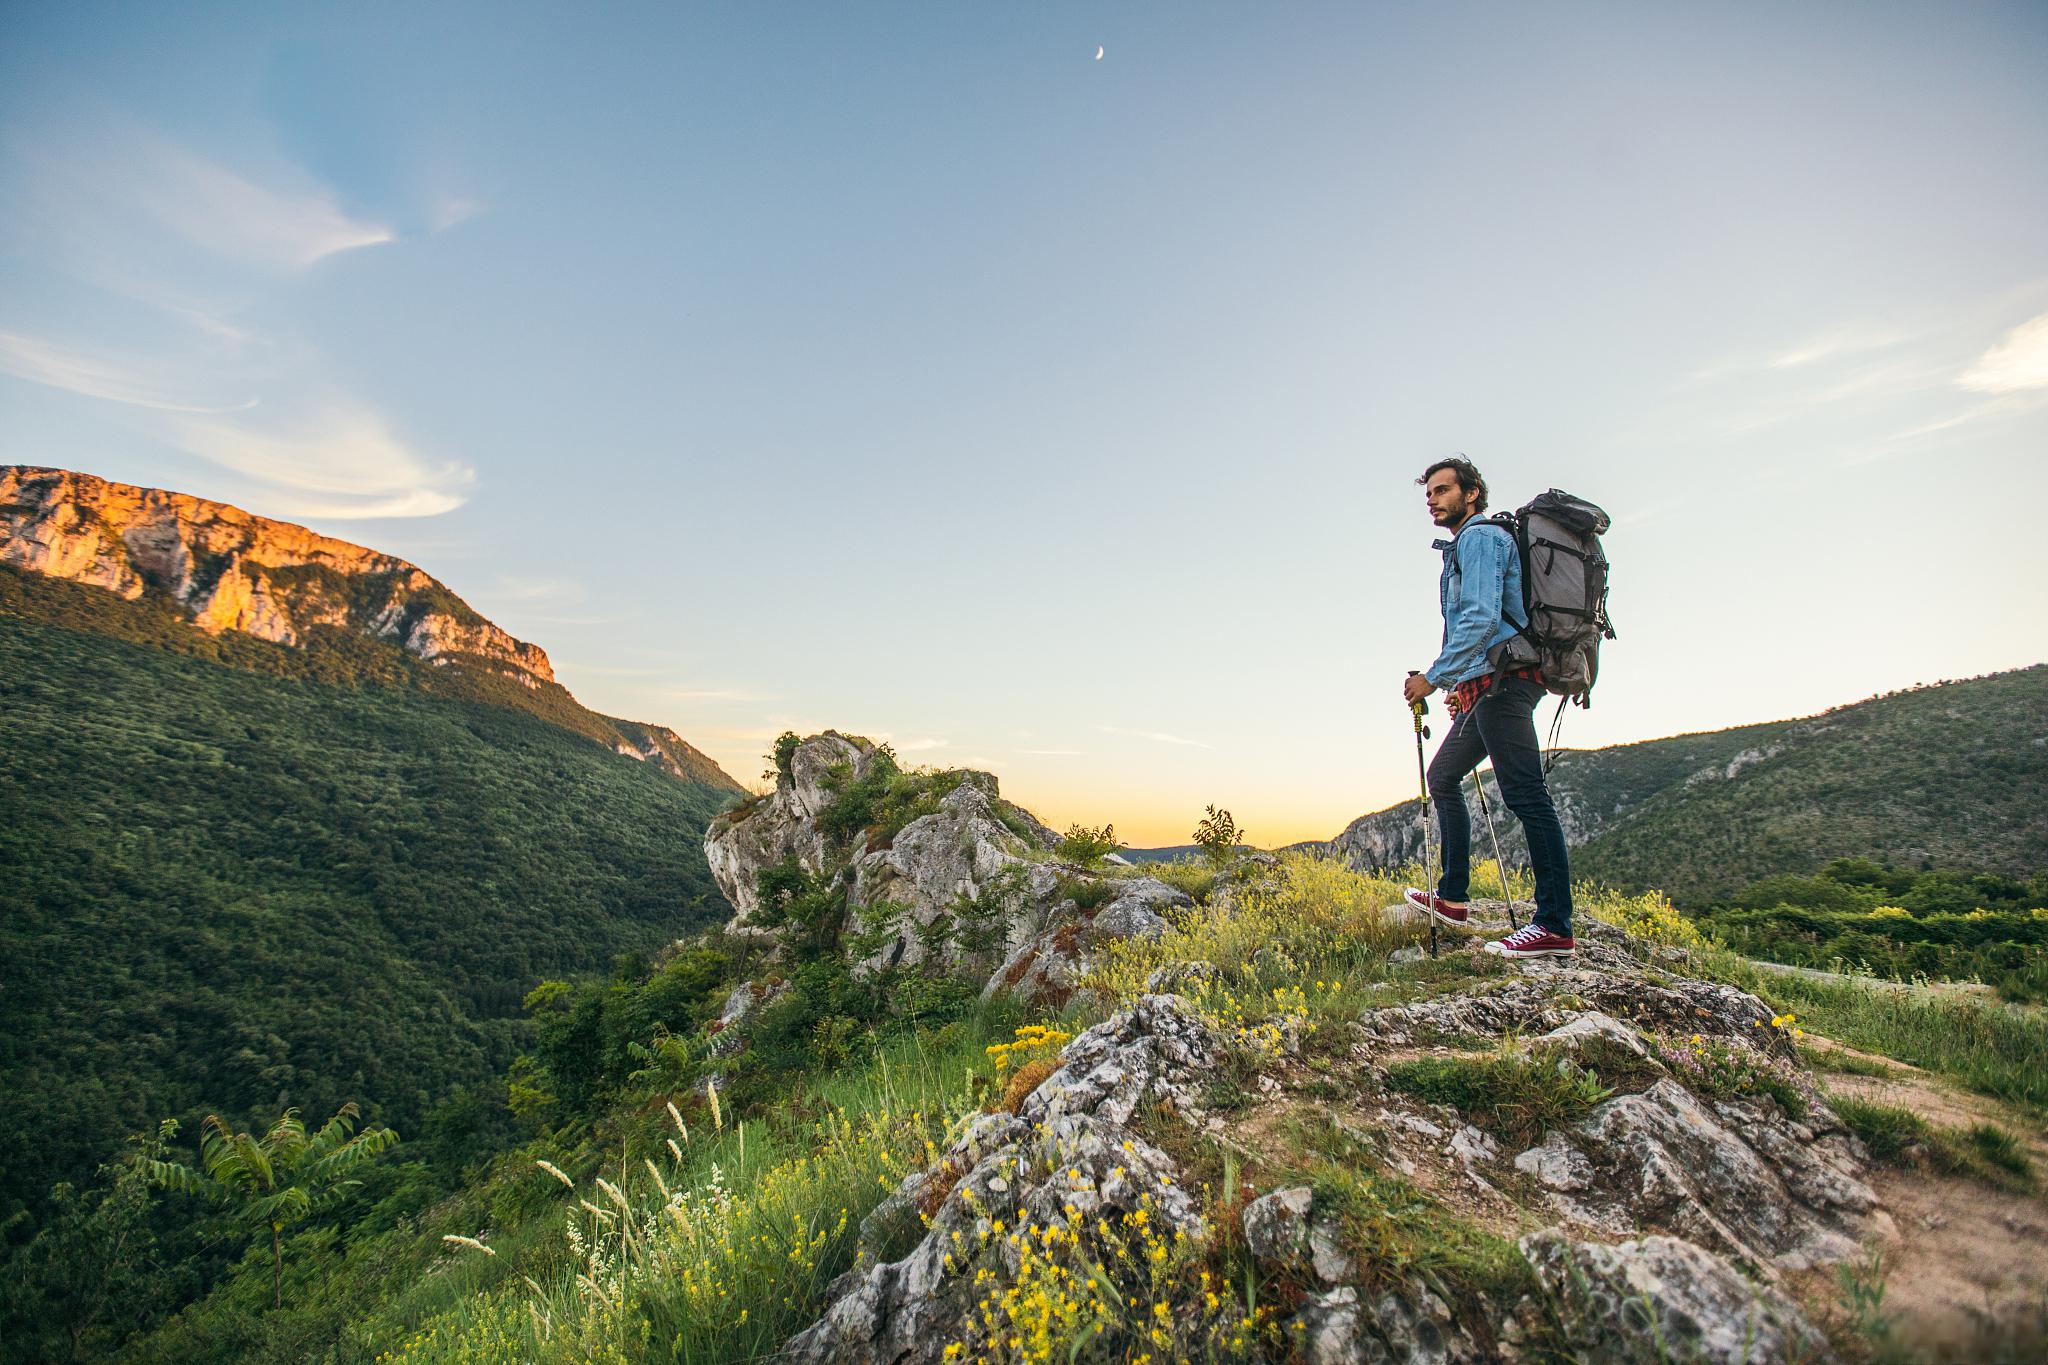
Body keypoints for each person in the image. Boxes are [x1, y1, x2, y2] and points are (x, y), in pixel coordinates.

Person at [1401, 457, 1576, 958]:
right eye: (1429, 493)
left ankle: (1553, 926)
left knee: (1526, 797)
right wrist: (1460, 682)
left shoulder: (1480, 539)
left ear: (1471, 494)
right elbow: (1477, 626)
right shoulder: (1464, 545)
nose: (1432, 500)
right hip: (1487, 685)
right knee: (1444, 775)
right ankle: (1453, 898)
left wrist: (1433, 680)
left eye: (1441, 490)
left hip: (1507, 685)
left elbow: (1478, 619)